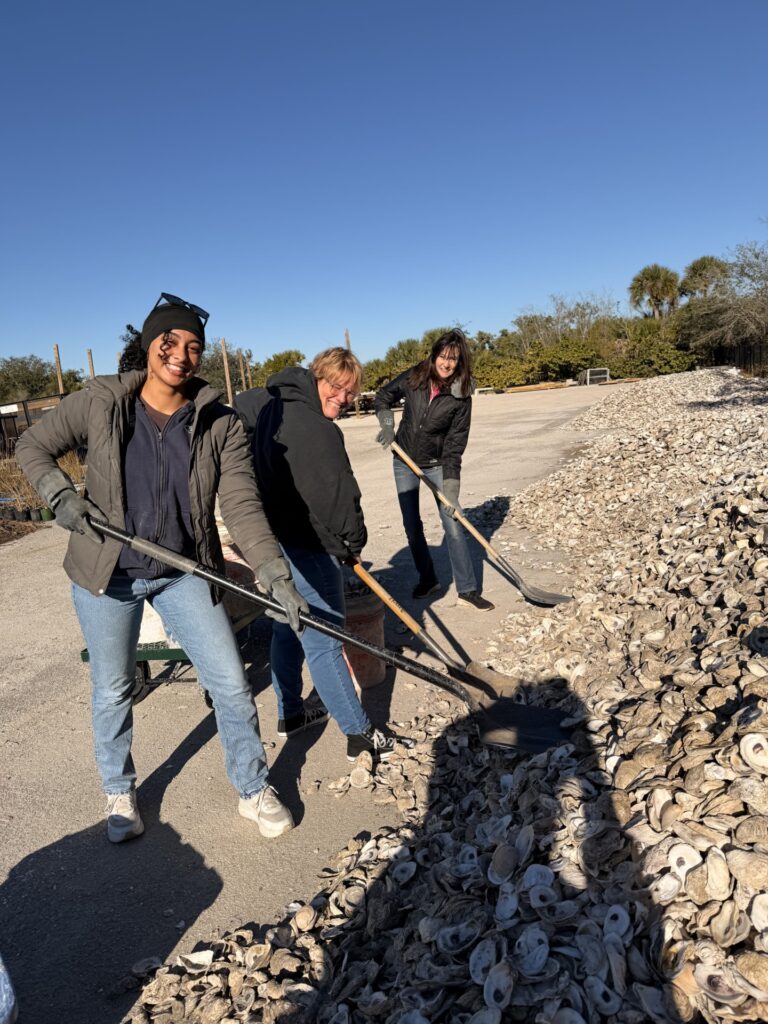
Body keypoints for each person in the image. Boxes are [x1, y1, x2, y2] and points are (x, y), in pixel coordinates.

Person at [15, 294, 308, 843]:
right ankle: (119, 791)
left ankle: (252, 788)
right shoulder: (100, 402)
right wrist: (59, 495)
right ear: (149, 347)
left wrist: (273, 570)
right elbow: (33, 446)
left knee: (230, 683)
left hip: (182, 571)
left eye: (193, 346)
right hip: (108, 574)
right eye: (169, 342)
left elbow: (241, 504)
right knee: (113, 689)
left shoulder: (220, 423)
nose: (181, 354)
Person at [234, 348, 397, 763]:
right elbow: (337, 495)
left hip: (272, 540)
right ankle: (359, 733)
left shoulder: (270, 404)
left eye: (350, 393)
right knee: (325, 641)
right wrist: (352, 543)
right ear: (317, 377)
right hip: (308, 543)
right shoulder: (318, 430)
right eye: (336, 387)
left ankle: (291, 711)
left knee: (288, 627)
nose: (343, 398)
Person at [373, 328, 494, 610]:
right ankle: (428, 579)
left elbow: (455, 444)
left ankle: (467, 589)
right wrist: (388, 425)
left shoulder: (461, 396)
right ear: (434, 355)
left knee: (454, 524)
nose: (446, 363)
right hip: (404, 459)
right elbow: (383, 396)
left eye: (453, 358)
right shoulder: (416, 376)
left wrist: (451, 489)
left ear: (460, 361)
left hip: (438, 464)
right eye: (442, 356)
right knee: (412, 525)